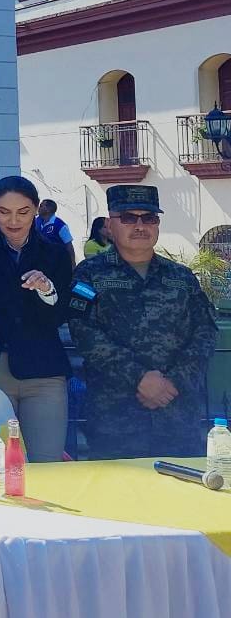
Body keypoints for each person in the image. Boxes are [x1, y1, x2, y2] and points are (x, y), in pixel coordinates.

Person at [68, 185, 218, 460]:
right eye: (128, 217)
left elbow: (206, 331)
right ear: (110, 224)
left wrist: (173, 382)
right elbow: (83, 331)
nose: (140, 225)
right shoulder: (89, 274)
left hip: (177, 415)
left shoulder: (181, 277)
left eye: (149, 218)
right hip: (115, 417)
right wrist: (140, 378)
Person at [0, 176, 73, 463]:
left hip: (44, 370)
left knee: (47, 461)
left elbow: (63, 313)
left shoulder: (56, 252)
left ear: (36, 209)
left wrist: (47, 290)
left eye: (23, 211)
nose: (13, 220)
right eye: (4, 212)